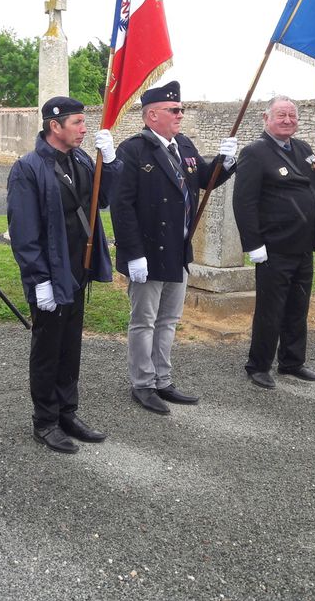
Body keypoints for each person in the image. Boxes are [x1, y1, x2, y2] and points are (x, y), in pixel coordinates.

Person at [111, 81, 239, 413]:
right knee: (144, 320)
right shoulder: (133, 150)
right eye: (175, 110)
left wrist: (224, 163)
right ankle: (142, 383)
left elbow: (203, 179)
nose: (181, 115)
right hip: (148, 253)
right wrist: (133, 253)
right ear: (152, 115)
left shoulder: (182, 144)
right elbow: (121, 206)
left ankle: (163, 380)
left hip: (178, 250)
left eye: (181, 109)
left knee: (168, 320)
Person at [7, 96, 120, 452]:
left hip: (78, 267)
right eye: (77, 123)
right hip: (50, 273)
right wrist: (39, 279)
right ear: (54, 126)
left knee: (70, 346)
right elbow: (24, 231)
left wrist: (111, 162)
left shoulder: (83, 159)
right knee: (48, 347)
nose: (84, 129)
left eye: (84, 123)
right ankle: (45, 420)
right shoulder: (27, 167)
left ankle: (67, 411)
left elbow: (104, 200)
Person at [233, 95, 315, 389]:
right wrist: (252, 244)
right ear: (266, 118)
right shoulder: (255, 152)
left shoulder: (304, 149)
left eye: (292, 116)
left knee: (298, 307)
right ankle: (258, 365)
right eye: (281, 115)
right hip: (274, 247)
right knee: (271, 309)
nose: (288, 120)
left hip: (304, 246)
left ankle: (292, 361)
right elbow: (244, 202)